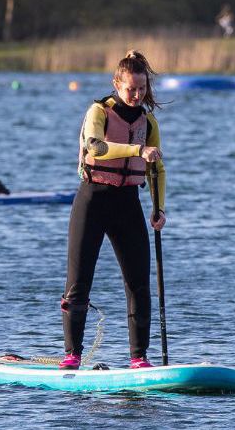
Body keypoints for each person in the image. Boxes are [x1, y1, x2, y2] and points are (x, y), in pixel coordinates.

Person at [59, 51, 167, 370]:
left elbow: (157, 169)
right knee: (79, 282)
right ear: (116, 84)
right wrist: (137, 150)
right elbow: (95, 147)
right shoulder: (98, 111)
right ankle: (72, 355)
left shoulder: (148, 122)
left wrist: (159, 208)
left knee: (138, 283)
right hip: (93, 199)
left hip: (128, 202)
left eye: (142, 89)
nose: (137, 95)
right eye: (130, 89)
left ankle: (139, 357)